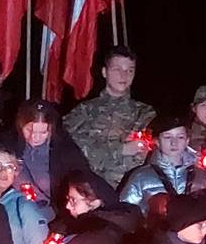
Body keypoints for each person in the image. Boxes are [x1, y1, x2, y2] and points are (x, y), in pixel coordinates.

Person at [63, 46, 156, 188]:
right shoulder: (84, 112)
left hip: (131, 192)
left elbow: (143, 156)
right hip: (89, 192)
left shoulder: (145, 113)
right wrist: (121, 150)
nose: (124, 76)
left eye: (129, 70)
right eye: (117, 70)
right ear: (104, 72)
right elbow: (72, 152)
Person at [2, 99, 93, 207]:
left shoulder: (66, 153)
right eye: (29, 130)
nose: (35, 137)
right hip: (15, 201)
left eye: (43, 132)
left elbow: (84, 184)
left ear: (51, 130)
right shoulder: (10, 143)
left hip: (51, 209)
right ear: (20, 126)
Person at [118, 116, 206, 209]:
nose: (174, 143)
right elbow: (126, 213)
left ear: (187, 141)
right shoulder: (141, 177)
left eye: (180, 137)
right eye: (167, 137)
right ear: (157, 141)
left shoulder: (201, 175)